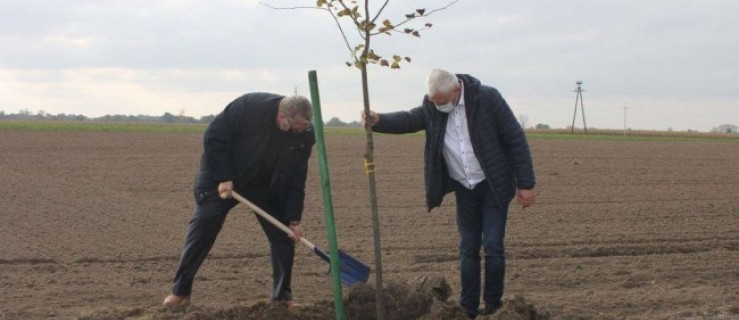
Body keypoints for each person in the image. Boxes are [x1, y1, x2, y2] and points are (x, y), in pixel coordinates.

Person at [363, 69, 536, 319]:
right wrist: (379, 120)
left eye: (441, 101)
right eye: (433, 101)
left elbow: (516, 139)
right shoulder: (433, 105)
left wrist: (526, 184)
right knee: (468, 248)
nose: (436, 106)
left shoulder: (488, 99)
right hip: (464, 186)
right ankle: (467, 309)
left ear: (456, 90)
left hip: (493, 185)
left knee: (494, 246)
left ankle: (494, 307)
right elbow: (411, 119)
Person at [163, 93, 315, 308]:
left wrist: (294, 219)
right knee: (204, 227)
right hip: (226, 177)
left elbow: (297, 177)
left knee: (284, 236)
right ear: (282, 116)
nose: (300, 131)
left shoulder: (305, 134)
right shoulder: (247, 108)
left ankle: (282, 298)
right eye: (296, 126)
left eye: (304, 127)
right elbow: (214, 138)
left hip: (266, 184)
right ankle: (180, 292)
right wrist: (224, 176)